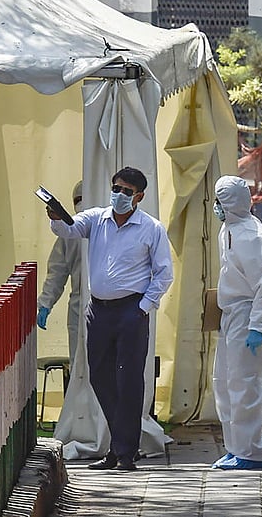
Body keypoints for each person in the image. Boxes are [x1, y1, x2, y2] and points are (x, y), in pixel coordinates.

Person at [46, 167, 173, 471]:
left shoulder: (151, 228)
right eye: (116, 188)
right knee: (100, 376)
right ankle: (119, 445)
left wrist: (143, 307)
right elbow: (69, 229)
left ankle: (125, 453)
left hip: (131, 311)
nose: (119, 195)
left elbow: (164, 273)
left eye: (127, 191)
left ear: (139, 196)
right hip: (99, 310)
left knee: (128, 380)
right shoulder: (96, 218)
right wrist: (55, 216)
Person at [211, 175, 262, 470]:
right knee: (225, 384)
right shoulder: (228, 229)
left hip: (247, 315)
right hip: (231, 314)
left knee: (246, 385)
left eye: (219, 200)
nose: (215, 206)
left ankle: (252, 452)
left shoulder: (252, 236)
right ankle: (236, 447)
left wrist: (257, 325)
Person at [37, 181, 83, 364]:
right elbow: (57, 271)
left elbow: (57, 271)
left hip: (95, 306)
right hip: (87, 305)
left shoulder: (72, 229)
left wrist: (46, 303)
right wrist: (45, 303)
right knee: (84, 362)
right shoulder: (69, 232)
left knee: (91, 365)